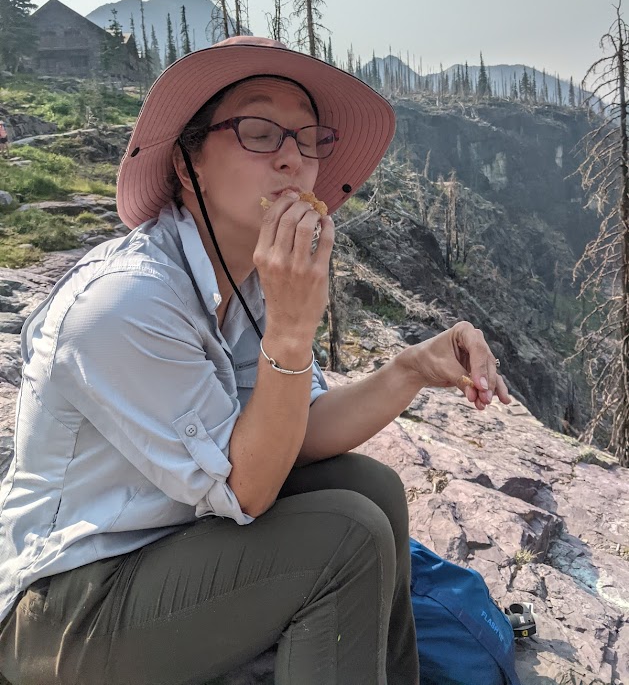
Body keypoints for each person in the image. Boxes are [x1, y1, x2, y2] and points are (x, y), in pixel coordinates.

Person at [0, 36, 511, 685]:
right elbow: (246, 486)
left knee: (369, 488)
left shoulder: (246, 281)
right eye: (260, 131)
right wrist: (294, 330)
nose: (293, 160)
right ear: (189, 164)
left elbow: (296, 432)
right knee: (343, 539)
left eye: (306, 138)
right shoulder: (124, 303)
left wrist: (409, 368)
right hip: (65, 611)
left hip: (168, 543)